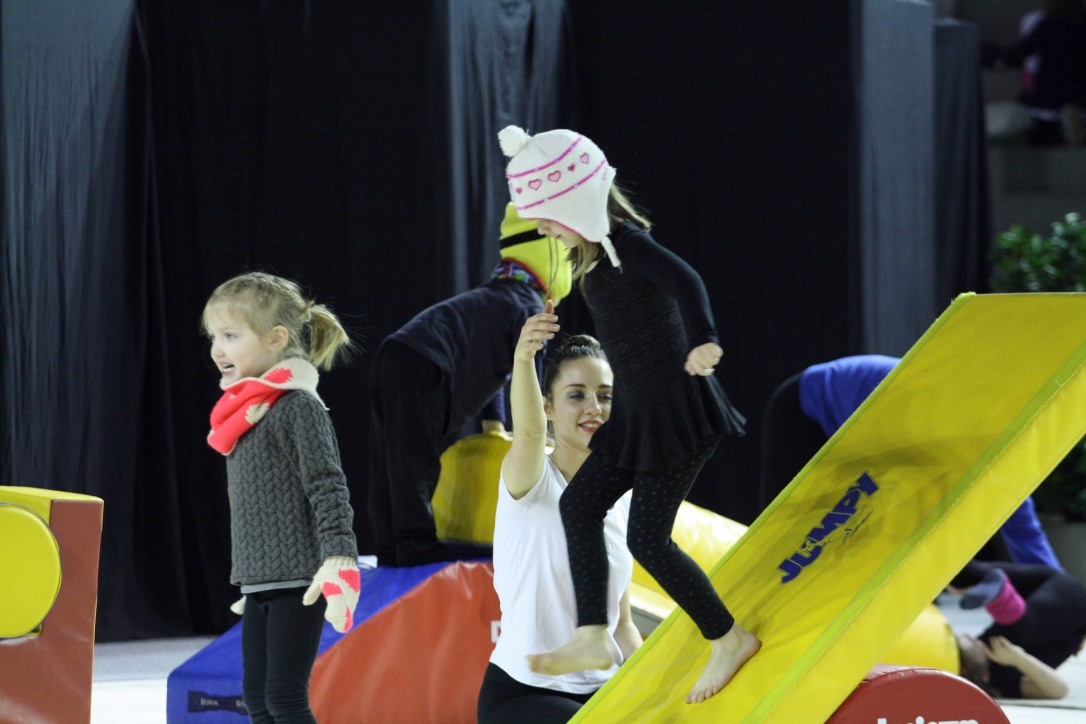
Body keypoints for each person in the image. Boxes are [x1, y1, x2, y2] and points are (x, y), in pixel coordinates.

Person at [498, 125, 759, 704]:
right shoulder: (595, 258)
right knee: (579, 505)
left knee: (648, 539)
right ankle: (593, 633)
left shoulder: (628, 243)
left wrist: (705, 339)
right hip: (639, 417)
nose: (544, 229)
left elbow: (686, 280)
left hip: (676, 415)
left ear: (574, 202)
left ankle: (728, 638)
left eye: (547, 218)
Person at [367, 204, 572, 567]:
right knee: (414, 460)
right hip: (423, 361)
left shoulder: (498, 296)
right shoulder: (527, 305)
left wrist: (493, 425)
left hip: (396, 353)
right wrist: (541, 430)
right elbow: (530, 373)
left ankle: (389, 545)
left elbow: (498, 368)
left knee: (391, 459)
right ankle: (416, 546)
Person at [203, 272, 360, 723]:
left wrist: (339, 559)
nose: (217, 349)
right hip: (259, 582)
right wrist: (254, 570)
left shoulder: (298, 406)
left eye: (231, 336)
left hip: (298, 582)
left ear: (276, 338)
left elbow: (328, 486)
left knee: (284, 698)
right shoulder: (246, 414)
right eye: (214, 337)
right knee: (257, 699)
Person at [477, 310, 642, 723]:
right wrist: (523, 357)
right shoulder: (531, 480)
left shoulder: (623, 498)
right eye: (576, 395)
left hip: (603, 692)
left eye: (605, 395)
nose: (594, 407)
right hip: (523, 693)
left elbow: (622, 625)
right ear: (547, 407)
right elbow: (529, 434)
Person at [759, 354, 1062, 570]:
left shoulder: (1000, 456)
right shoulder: (951, 425)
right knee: (783, 523)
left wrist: (1064, 597)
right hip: (806, 403)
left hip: (864, 424)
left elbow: (1025, 531)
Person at [952, 560, 1086, 699]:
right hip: (1072, 610)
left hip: (1050, 583)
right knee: (1018, 627)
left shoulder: (982, 646)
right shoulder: (998, 679)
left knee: (971, 573)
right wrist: (1018, 658)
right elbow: (1060, 690)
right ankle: (1001, 598)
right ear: (965, 670)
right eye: (971, 643)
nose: (970, 637)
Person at [982, 0, 1086, 145]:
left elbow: (1024, 50)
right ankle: (1072, 123)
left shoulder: (1049, 25)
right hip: (1079, 90)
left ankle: (1054, 134)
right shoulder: (1080, 26)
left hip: (1050, 93)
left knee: (1042, 130)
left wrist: (993, 54)